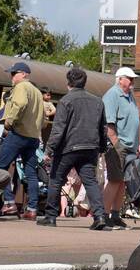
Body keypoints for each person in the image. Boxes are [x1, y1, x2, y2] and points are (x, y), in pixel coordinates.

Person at [39, 67, 108, 230]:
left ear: (68, 82)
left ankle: (50, 216)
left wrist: (49, 150)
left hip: (68, 148)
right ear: (84, 82)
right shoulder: (97, 101)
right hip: (90, 147)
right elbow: (103, 127)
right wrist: (102, 147)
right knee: (90, 181)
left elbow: (58, 129)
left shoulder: (66, 101)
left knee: (56, 180)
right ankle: (99, 216)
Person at [0, 62, 44, 220]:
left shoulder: (21, 87)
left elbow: (20, 104)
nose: (12, 77)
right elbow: (42, 116)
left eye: (14, 73)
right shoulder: (37, 92)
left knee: (0, 167)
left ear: (24, 74)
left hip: (18, 134)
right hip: (33, 137)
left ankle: (9, 203)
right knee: (31, 173)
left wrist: (9, 121)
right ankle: (32, 209)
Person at [101, 66, 140, 230]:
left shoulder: (130, 96)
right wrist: (116, 143)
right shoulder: (112, 95)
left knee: (123, 182)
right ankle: (103, 215)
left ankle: (115, 215)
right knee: (114, 180)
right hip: (119, 145)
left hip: (129, 145)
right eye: (129, 78)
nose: (132, 81)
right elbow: (109, 123)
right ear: (120, 79)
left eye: (133, 79)